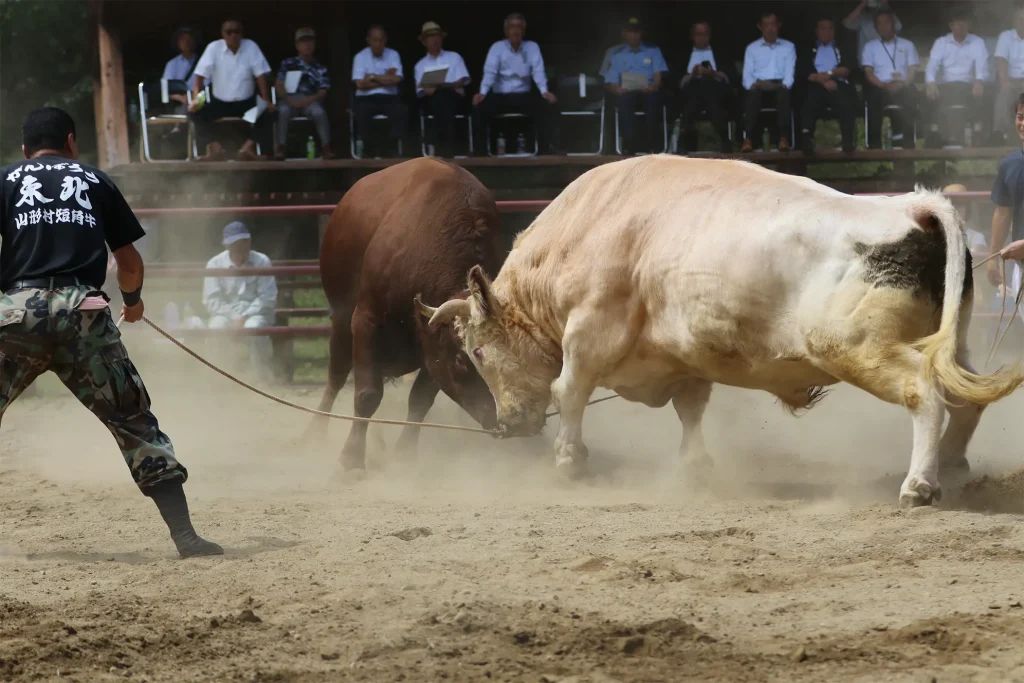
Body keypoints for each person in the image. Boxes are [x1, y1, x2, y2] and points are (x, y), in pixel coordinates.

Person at [0, 107, 221, 559]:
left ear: (25, 149)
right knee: (132, 420)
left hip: (16, 315)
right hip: (85, 312)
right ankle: (185, 537)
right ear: (71, 141)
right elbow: (130, 261)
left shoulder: (4, 181)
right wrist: (134, 302)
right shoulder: (95, 180)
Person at [472, 13, 560, 156]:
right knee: (478, 109)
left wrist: (544, 92)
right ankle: (479, 151)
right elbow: (490, 72)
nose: (516, 30)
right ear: (506, 31)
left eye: (519, 27)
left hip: (523, 95)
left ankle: (548, 149)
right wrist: (482, 92)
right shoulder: (497, 48)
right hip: (501, 96)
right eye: (512, 27)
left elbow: (538, 71)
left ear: (524, 31)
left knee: (547, 106)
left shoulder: (532, 47)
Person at [189, 18, 275, 161]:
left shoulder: (251, 47)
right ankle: (216, 149)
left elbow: (260, 76)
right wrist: (195, 99)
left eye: (237, 32)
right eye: (229, 32)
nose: (233, 35)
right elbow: (199, 76)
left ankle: (247, 149)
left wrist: (266, 101)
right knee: (194, 112)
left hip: (246, 105)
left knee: (270, 112)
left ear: (242, 34)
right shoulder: (213, 48)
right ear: (223, 34)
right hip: (220, 104)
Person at [202, 222, 278, 383]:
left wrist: (244, 316)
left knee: (254, 328)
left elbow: (267, 297)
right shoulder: (214, 264)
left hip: (255, 314)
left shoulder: (262, 261)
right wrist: (233, 316)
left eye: (243, 242)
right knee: (216, 328)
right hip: (225, 314)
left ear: (249, 242)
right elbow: (212, 300)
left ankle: (261, 380)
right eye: (235, 243)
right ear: (227, 245)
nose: (240, 246)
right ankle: (218, 379)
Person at [924, 6, 990, 148]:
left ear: (969, 25)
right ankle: (936, 137)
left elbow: (982, 66)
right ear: (951, 25)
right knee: (929, 95)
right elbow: (932, 66)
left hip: (968, 86)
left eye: (964, 22)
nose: (960, 26)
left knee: (983, 93)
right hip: (946, 86)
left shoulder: (978, 42)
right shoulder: (941, 43)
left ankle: (975, 137)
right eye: (957, 23)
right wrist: (930, 82)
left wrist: (979, 82)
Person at [604, 17, 669, 156]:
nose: (633, 35)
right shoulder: (618, 55)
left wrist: (655, 86)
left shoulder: (653, 51)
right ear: (624, 34)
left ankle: (653, 146)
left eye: (636, 32)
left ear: (641, 33)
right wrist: (617, 89)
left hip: (649, 90)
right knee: (624, 101)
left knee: (653, 100)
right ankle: (629, 146)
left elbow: (658, 75)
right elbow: (610, 82)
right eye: (630, 32)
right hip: (627, 91)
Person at [675, 20, 738, 155]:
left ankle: (684, 138)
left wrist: (713, 74)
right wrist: (691, 75)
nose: (702, 37)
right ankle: (723, 136)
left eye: (705, 34)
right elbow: (675, 81)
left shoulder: (721, 52)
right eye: (698, 34)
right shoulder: (683, 54)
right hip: (691, 91)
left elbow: (732, 77)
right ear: (692, 36)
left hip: (716, 91)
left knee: (706, 86)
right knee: (699, 87)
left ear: (710, 35)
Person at [797, 18, 858, 155]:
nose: (827, 32)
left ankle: (848, 140)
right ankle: (806, 139)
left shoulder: (842, 47)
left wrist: (830, 75)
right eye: (823, 28)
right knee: (808, 97)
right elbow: (804, 72)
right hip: (816, 85)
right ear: (817, 31)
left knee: (845, 97)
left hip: (838, 83)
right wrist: (822, 80)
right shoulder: (809, 48)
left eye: (830, 28)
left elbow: (847, 68)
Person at [861, 9, 919, 149]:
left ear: (893, 24)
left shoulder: (908, 45)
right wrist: (881, 85)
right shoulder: (870, 47)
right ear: (876, 28)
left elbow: (912, 69)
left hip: (903, 85)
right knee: (872, 95)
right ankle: (874, 143)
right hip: (880, 86)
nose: (884, 26)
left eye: (887, 22)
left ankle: (908, 141)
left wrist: (903, 83)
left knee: (911, 94)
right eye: (880, 24)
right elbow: (868, 72)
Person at [741, 11, 797, 152]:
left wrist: (785, 85)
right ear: (760, 27)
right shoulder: (752, 48)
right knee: (751, 94)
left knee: (785, 94)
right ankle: (748, 139)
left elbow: (790, 72)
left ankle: (783, 138)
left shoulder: (789, 47)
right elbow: (747, 75)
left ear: (779, 26)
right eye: (766, 25)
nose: (770, 28)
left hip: (779, 85)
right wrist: (752, 85)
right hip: (759, 85)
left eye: (773, 24)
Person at [413, 21, 471, 158]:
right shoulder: (420, 65)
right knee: (441, 97)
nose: (435, 40)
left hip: (454, 100)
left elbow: (462, 80)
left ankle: (439, 145)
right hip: (432, 100)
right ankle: (448, 146)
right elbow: (423, 91)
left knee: (444, 97)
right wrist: (448, 86)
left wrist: (439, 85)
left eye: (437, 36)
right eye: (430, 37)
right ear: (424, 42)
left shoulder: (454, 57)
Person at [274, 27, 333, 160]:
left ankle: (326, 148)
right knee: (282, 111)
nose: (307, 45)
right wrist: (289, 99)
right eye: (303, 42)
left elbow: (323, 91)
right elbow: (278, 84)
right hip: (289, 100)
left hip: (311, 101)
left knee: (319, 112)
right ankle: (281, 148)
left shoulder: (320, 67)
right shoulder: (287, 64)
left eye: (310, 41)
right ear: (297, 45)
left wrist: (308, 100)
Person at [351, 25, 408, 158]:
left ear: (385, 40)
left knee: (402, 110)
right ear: (368, 40)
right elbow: (360, 84)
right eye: (375, 40)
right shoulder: (360, 57)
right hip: (366, 97)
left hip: (389, 97)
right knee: (361, 112)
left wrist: (372, 77)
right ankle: (368, 149)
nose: (378, 43)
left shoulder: (393, 54)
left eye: (381, 40)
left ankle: (392, 147)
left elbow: (397, 79)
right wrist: (386, 78)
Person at [993, 5, 1024, 145]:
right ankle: (1000, 133)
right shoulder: (1005, 37)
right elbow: (1001, 60)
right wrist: (1005, 81)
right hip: (1012, 81)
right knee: (1004, 94)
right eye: (1021, 20)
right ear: (1014, 22)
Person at [843, 0, 903, 64]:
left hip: (887, 61)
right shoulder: (863, 17)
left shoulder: (888, 17)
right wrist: (863, 4)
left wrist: (885, 5)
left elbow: (898, 26)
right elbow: (846, 23)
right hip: (868, 62)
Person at [161, 25, 200, 114]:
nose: (187, 42)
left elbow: (208, 86)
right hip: (180, 104)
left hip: (199, 101)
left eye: (190, 39)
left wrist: (194, 98)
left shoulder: (203, 61)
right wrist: (182, 98)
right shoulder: (172, 64)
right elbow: (165, 88)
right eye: (183, 39)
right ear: (177, 43)